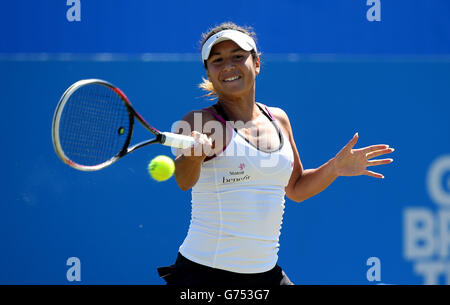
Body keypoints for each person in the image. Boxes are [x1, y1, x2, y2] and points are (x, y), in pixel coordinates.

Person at [157, 22, 394, 286]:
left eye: (238, 56)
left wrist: (334, 168)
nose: (228, 66)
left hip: (267, 275)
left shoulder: (278, 119)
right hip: (205, 276)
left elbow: (295, 188)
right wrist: (194, 155)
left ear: (256, 63)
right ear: (208, 73)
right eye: (217, 60)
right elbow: (183, 180)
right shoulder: (199, 121)